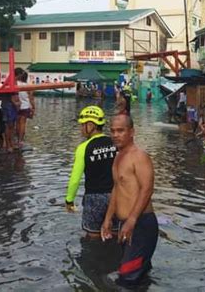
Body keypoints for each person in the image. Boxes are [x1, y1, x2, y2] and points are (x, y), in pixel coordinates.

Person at [101, 115, 158, 287]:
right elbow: (117, 188)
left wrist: (132, 220)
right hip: (126, 224)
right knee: (138, 275)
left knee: (127, 278)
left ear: (131, 132)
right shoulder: (118, 157)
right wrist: (108, 219)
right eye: (112, 131)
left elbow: (147, 188)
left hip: (141, 224)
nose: (115, 135)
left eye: (121, 131)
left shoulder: (139, 156)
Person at [65, 106, 118, 238]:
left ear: (91, 125)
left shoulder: (83, 148)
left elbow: (75, 179)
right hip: (117, 197)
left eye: (83, 125)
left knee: (93, 237)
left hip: (94, 198)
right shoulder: (115, 143)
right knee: (116, 234)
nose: (81, 128)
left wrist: (69, 200)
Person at [15, 68, 35, 147]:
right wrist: (33, 108)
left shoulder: (15, 84)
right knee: (23, 124)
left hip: (16, 106)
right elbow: (31, 98)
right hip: (25, 106)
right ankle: (20, 140)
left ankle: (16, 140)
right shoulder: (28, 86)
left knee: (17, 123)